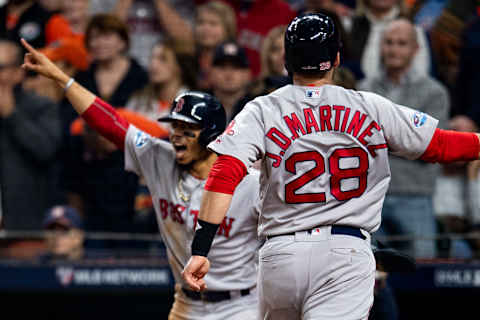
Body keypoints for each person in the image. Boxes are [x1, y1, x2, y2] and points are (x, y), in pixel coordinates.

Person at [181, 13, 480, 320]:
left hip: (281, 255)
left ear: (286, 59)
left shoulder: (262, 109)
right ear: (337, 58)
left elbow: (224, 171)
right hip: (345, 252)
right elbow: (441, 145)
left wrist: (201, 249)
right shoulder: (369, 105)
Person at [21, 38, 260, 320]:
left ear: (211, 136)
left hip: (240, 305)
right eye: (175, 127)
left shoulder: (250, 182)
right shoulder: (160, 157)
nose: (176, 136)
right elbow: (110, 123)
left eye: (187, 129)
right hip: (186, 304)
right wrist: (62, 78)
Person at [358, 18, 450, 258]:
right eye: (389, 42)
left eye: (401, 43)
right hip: (370, 196)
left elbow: (429, 148)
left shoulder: (435, 93)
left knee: (423, 270)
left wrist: (380, 141)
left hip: (415, 196)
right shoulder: (362, 90)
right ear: (380, 46)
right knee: (367, 272)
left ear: (415, 49)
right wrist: (407, 140)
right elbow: (357, 144)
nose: (394, 49)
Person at [0, 39, 61, 231]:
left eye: (0, 67)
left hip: (24, 225)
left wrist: (11, 114)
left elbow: (46, 150)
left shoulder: (41, 107)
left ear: (19, 72)